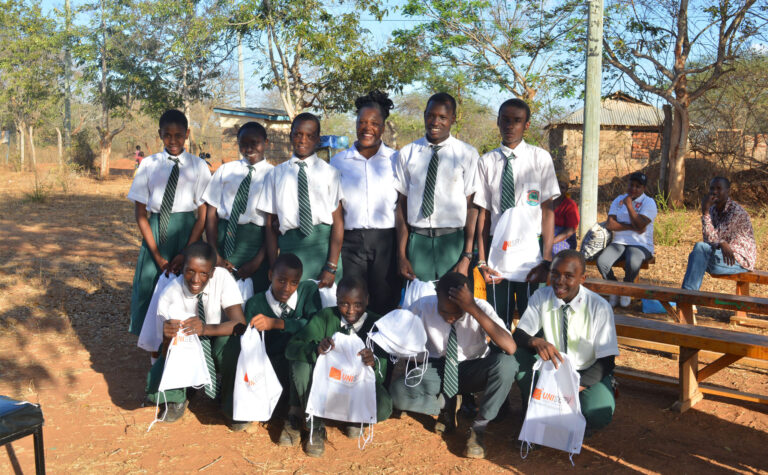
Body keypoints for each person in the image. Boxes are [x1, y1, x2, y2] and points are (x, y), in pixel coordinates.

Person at [389, 272, 518, 460]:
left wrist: (473, 309)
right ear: (436, 297)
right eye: (445, 312)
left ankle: (478, 429)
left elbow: (510, 347)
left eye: (458, 313)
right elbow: (398, 337)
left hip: (471, 369)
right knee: (397, 393)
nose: (451, 318)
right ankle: (445, 406)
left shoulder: (480, 307)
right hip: (436, 368)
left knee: (507, 364)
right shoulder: (423, 306)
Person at [513, 250, 619, 435]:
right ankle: (534, 406)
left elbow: (607, 361)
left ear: (582, 278)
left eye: (569, 276)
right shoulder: (541, 297)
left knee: (599, 413)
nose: (559, 281)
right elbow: (519, 334)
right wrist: (535, 341)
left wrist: (569, 390)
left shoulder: (599, 307)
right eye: (554, 273)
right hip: (552, 371)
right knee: (516, 354)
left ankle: (575, 418)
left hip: (584, 372)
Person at [285, 276, 392, 457]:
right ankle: (316, 426)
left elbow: (381, 377)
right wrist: (316, 349)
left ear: (367, 299)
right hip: (328, 385)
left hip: (356, 387)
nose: (350, 310)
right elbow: (292, 348)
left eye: (358, 304)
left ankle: (355, 419)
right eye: (344, 303)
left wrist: (373, 362)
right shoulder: (326, 317)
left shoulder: (378, 324)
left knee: (382, 408)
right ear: (336, 299)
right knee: (300, 365)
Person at [475, 98, 559, 326]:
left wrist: (547, 259)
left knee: (533, 320)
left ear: (527, 125)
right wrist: (482, 262)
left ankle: (530, 361)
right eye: (506, 120)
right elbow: (483, 215)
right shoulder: (486, 162)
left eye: (517, 121)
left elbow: (548, 211)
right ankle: (500, 361)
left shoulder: (540, 158)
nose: (510, 126)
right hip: (497, 250)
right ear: (498, 121)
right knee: (497, 320)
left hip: (531, 251)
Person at [127, 109, 211, 337]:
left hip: (187, 234)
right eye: (167, 135)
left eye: (178, 135)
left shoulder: (198, 167)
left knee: (187, 289)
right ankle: (153, 351)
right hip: (155, 235)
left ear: (187, 134)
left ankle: (183, 346)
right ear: (160, 135)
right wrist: (156, 255)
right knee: (150, 286)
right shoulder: (149, 165)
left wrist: (187, 252)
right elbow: (140, 213)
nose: (173, 141)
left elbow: (202, 216)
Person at [144, 242, 247, 425]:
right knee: (155, 384)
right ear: (182, 268)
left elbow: (240, 324)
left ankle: (228, 399)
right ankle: (178, 395)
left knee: (235, 346)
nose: (195, 279)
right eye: (190, 271)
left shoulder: (222, 278)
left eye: (203, 273)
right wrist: (167, 337)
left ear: (213, 272)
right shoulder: (169, 294)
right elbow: (163, 351)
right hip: (185, 348)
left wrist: (205, 328)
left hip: (215, 340)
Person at [394, 92, 479, 282]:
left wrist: (467, 255)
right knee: (418, 305)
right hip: (418, 242)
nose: (435, 122)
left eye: (442, 117)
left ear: (452, 119)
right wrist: (402, 255)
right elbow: (401, 205)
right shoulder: (408, 153)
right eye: (431, 115)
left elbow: (472, 207)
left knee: (455, 304)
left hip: (453, 242)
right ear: (424, 115)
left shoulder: (467, 154)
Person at [330, 91, 401, 314]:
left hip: (385, 241)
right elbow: (335, 208)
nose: (367, 127)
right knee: (353, 300)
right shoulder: (339, 161)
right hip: (351, 243)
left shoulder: (396, 159)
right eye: (361, 122)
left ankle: (380, 348)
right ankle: (354, 347)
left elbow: (401, 206)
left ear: (383, 126)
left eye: (374, 123)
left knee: (384, 299)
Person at [258, 113, 344, 287]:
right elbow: (270, 225)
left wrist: (331, 266)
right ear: (290, 136)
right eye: (298, 134)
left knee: (325, 306)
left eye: (310, 136)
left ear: (318, 139)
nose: (303, 140)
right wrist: (275, 265)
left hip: (323, 250)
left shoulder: (330, 173)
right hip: (290, 251)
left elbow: (338, 223)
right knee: (292, 306)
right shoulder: (275, 175)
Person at [243, 253, 322, 442]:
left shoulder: (308, 291)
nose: (287, 288)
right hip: (272, 371)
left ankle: (300, 418)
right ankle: (290, 413)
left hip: (303, 369)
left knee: (300, 358)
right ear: (270, 275)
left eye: (294, 282)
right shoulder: (256, 304)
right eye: (281, 281)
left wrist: (278, 324)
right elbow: (249, 346)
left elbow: (315, 326)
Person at [203, 121, 272, 294]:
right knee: (220, 295)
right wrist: (214, 252)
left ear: (266, 143)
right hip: (223, 241)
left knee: (253, 296)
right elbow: (211, 214)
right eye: (243, 144)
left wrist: (258, 260)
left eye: (254, 143)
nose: (249, 149)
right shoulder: (226, 171)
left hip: (256, 244)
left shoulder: (274, 174)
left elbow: (273, 225)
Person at [682, 176, 756, 290]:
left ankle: (687, 298)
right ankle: (688, 297)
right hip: (723, 256)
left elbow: (716, 239)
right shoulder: (713, 209)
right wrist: (720, 242)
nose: (714, 192)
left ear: (728, 191)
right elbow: (709, 240)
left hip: (740, 260)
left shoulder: (736, 211)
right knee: (698, 251)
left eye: (718, 188)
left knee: (698, 252)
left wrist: (705, 213)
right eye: (712, 188)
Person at [597, 171, 657, 307]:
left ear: (644, 189)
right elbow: (610, 224)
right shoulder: (619, 200)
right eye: (631, 185)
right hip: (619, 242)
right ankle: (614, 289)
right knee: (602, 262)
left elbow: (641, 224)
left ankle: (626, 290)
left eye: (638, 186)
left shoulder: (649, 203)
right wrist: (633, 227)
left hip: (641, 245)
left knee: (633, 260)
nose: (633, 189)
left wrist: (629, 206)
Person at [552, 170, 579, 255]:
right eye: (556, 186)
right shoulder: (546, 201)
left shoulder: (570, 205)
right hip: (545, 235)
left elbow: (570, 230)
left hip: (563, 239)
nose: (558, 190)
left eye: (562, 187)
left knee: (551, 253)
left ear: (567, 189)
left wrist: (552, 241)